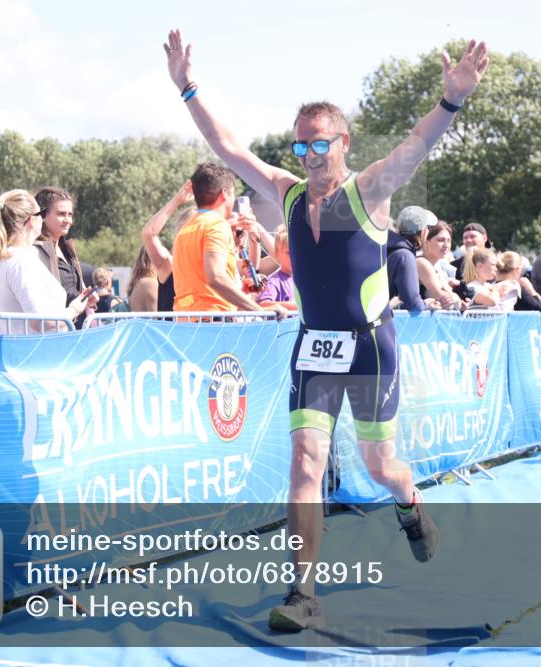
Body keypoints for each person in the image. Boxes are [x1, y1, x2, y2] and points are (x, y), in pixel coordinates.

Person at [164, 29, 488, 631]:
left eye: (320, 146)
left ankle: (410, 504)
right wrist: (187, 87)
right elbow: (228, 148)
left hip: (369, 347)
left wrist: (451, 101)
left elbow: (414, 148)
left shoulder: (369, 192)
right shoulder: (287, 197)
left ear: (343, 145)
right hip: (313, 348)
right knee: (305, 462)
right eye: (301, 146)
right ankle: (303, 591)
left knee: (378, 465)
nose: (309, 156)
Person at [171, 162, 287, 318]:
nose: (233, 200)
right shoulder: (216, 225)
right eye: (233, 194)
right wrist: (259, 311)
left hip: (186, 319)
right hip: (214, 320)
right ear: (224, 193)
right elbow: (216, 278)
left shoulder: (186, 228)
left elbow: (202, 280)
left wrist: (237, 291)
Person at [0, 189, 96, 334]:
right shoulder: (21, 262)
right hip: (33, 352)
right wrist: (74, 309)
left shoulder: (7, 258)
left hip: (19, 351)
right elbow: (43, 321)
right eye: (41, 214)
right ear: (32, 220)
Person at [34, 187, 86, 327]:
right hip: (51, 332)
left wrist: (85, 298)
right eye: (61, 214)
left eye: (70, 214)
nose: (68, 220)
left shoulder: (67, 249)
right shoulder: (34, 252)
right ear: (43, 215)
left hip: (74, 328)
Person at [141, 180, 196, 313]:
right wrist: (176, 201)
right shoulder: (171, 264)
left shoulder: (210, 265)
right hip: (172, 332)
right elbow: (149, 234)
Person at [386, 206, 441, 312]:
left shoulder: (388, 249)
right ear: (422, 231)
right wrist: (425, 304)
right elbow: (414, 305)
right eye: (427, 228)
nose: (428, 232)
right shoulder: (405, 256)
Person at [417, 220, 461, 310]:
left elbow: (451, 302)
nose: (446, 245)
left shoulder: (439, 267)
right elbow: (447, 301)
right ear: (426, 242)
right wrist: (456, 298)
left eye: (448, 241)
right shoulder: (421, 263)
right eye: (441, 240)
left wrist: (461, 304)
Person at [463, 247, 518, 311]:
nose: (496, 269)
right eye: (492, 265)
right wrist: (497, 290)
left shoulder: (489, 286)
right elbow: (492, 301)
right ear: (480, 266)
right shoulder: (472, 287)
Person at [257, 225, 296, 309]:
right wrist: (294, 306)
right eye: (289, 253)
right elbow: (263, 304)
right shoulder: (274, 281)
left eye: (298, 252)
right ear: (277, 254)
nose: (294, 256)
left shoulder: (306, 279)